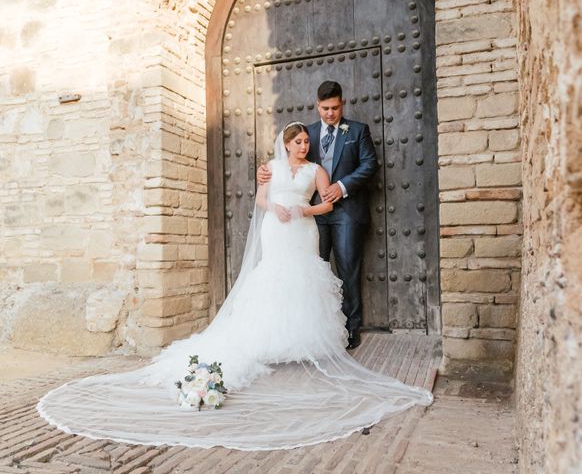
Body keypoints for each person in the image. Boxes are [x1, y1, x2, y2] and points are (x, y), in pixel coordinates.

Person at [37, 123, 432, 451]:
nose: (304, 145)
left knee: (304, 279)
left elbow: (327, 205)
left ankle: (303, 342)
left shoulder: (316, 171)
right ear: (286, 144)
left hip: (304, 228)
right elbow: (260, 199)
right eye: (298, 142)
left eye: (306, 142)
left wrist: (304, 209)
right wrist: (275, 207)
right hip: (277, 230)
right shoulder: (269, 168)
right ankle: (272, 340)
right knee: (274, 278)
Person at [258, 81, 377, 350]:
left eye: (335, 108)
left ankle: (349, 329)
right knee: (312, 271)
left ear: (342, 104)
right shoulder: (305, 134)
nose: (330, 114)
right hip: (309, 217)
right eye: (325, 109)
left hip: (345, 210)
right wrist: (263, 173)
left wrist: (342, 186)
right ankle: (312, 330)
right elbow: (285, 162)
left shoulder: (357, 131)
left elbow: (370, 163)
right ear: (317, 106)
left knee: (347, 268)